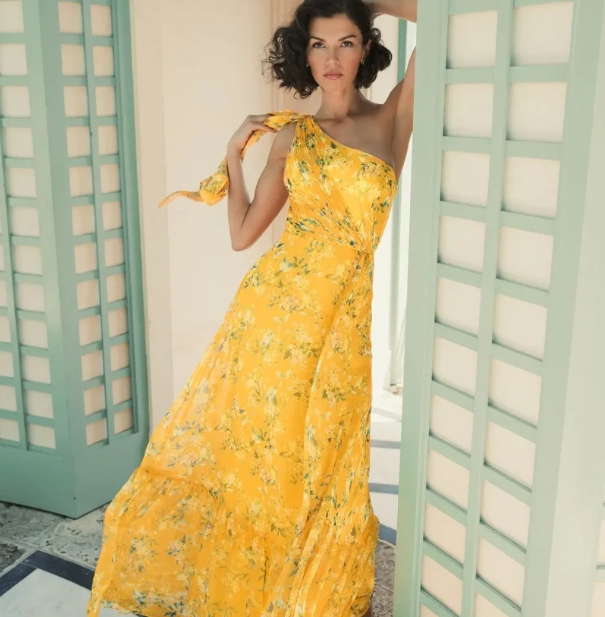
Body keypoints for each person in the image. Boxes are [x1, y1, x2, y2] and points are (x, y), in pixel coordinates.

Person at [87, 0, 417, 615]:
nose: (332, 58)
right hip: (271, 319)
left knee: (330, 453)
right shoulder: (292, 136)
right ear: (304, 55)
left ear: (366, 48)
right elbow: (243, 234)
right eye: (318, 45)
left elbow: (442, 16)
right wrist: (234, 154)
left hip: (343, 322)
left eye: (346, 42)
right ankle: (264, 588)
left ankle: (314, 591)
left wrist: (365, 3)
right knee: (274, 456)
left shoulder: (392, 116)